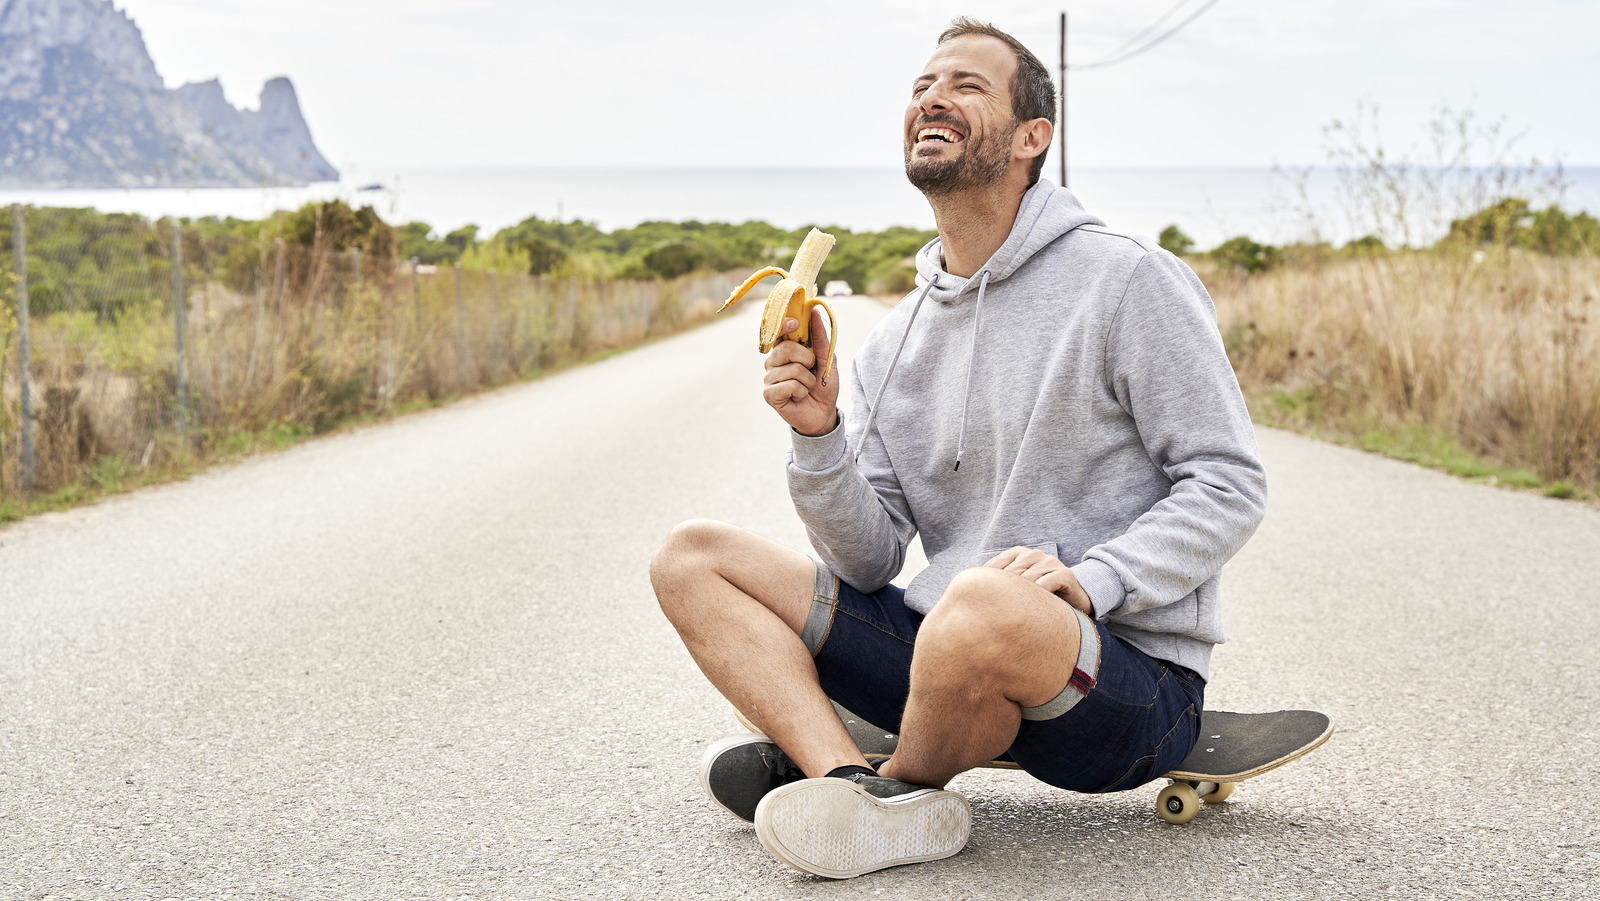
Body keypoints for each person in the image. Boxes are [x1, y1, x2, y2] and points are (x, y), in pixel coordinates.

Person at [651, 17, 1267, 879]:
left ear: (1031, 138)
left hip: (1121, 681)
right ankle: (847, 786)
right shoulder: (893, 339)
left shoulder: (1129, 281)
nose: (932, 97)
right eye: (921, 87)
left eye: (967, 85)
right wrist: (819, 435)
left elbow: (1229, 481)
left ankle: (897, 786)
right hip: (946, 647)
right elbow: (868, 560)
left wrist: (1092, 581)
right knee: (690, 555)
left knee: (982, 601)